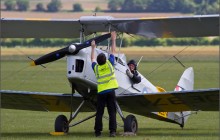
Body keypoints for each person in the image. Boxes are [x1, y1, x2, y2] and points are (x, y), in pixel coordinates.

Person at [91, 31, 119, 137]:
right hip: (111, 91)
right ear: (105, 60)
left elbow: (92, 59)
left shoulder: (96, 68)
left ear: (98, 61)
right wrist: (113, 39)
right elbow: (113, 51)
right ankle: (112, 131)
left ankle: (97, 132)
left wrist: (93, 47)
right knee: (112, 112)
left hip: (101, 92)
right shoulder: (110, 63)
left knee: (99, 113)